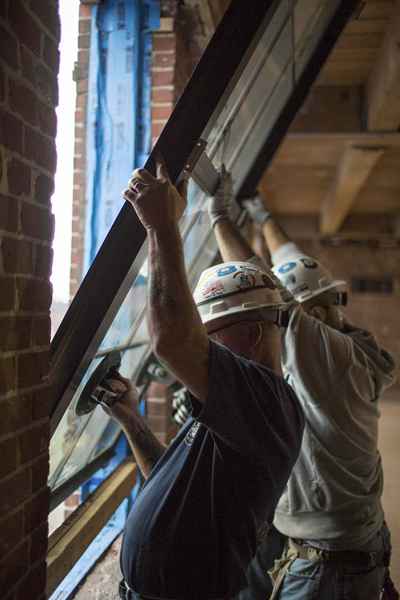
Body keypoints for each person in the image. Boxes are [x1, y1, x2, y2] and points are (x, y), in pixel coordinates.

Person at [100, 159, 304, 600]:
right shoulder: (234, 405)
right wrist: (130, 417)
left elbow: (172, 340)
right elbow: (172, 481)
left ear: (249, 334)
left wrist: (161, 228)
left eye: (208, 333)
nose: (200, 345)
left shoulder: (268, 404)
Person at [208, 169, 398, 600]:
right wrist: (262, 215)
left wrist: (220, 218)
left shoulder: (326, 355)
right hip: (359, 545)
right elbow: (299, 272)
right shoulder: (353, 347)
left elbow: (268, 292)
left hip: (326, 571)